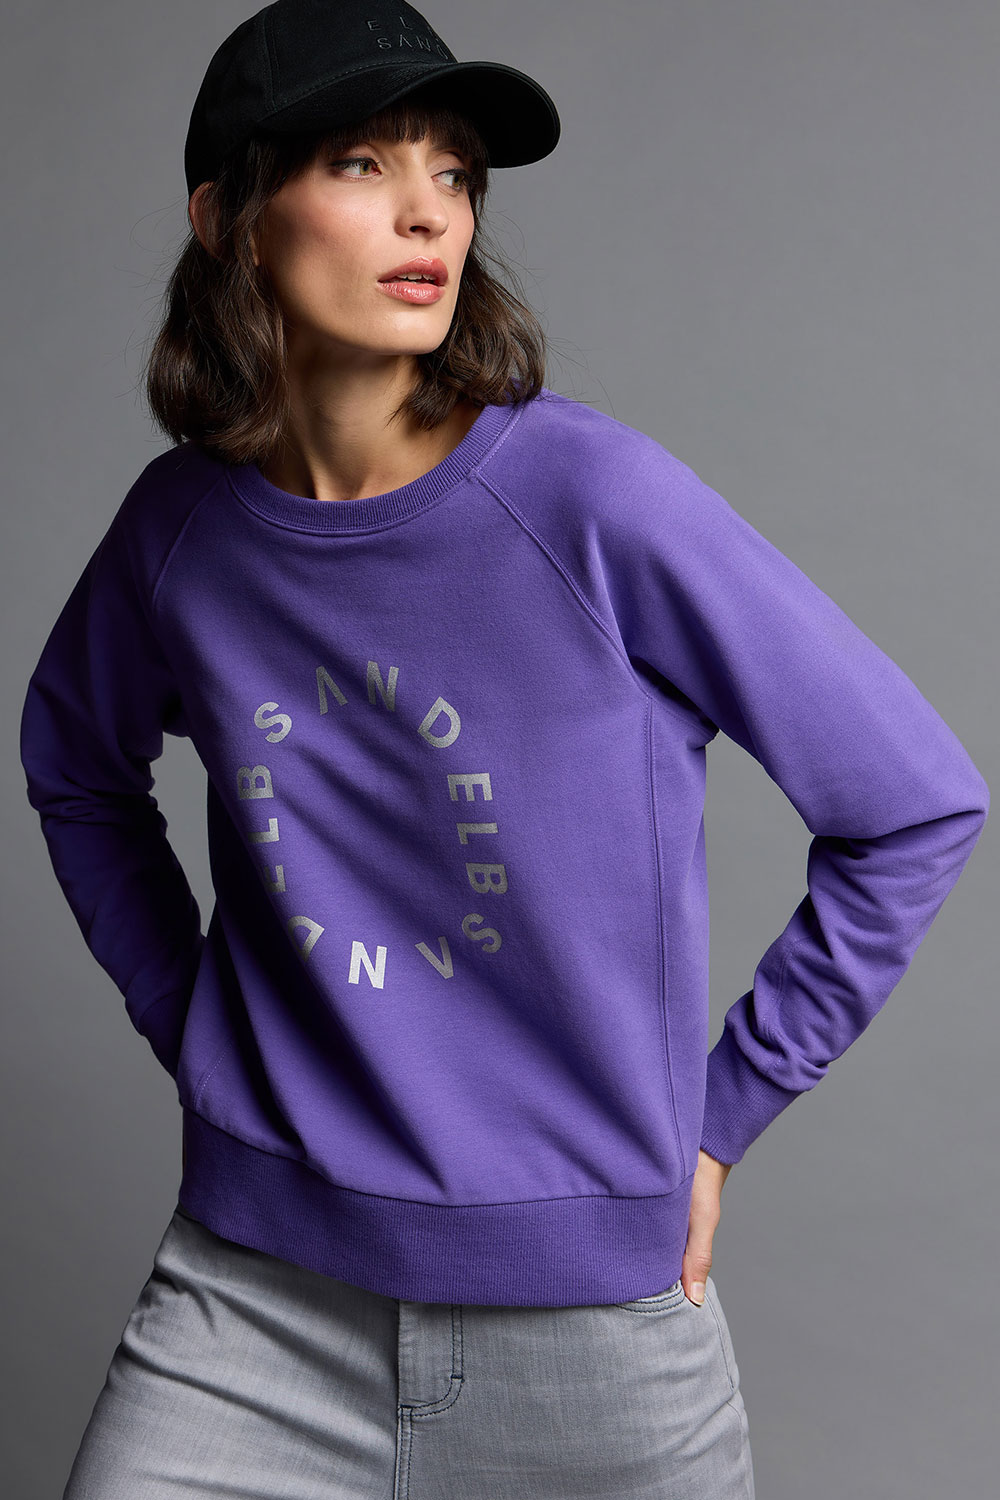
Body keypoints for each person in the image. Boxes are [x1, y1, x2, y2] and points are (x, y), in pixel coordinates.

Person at [18, 2, 988, 1497]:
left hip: (594, 1340)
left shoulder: (591, 502)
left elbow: (914, 804)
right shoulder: (182, 535)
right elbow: (76, 767)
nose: (428, 214)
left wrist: (721, 1119)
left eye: (455, 173)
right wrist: (196, 1020)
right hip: (251, 1304)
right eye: (361, 163)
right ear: (225, 218)